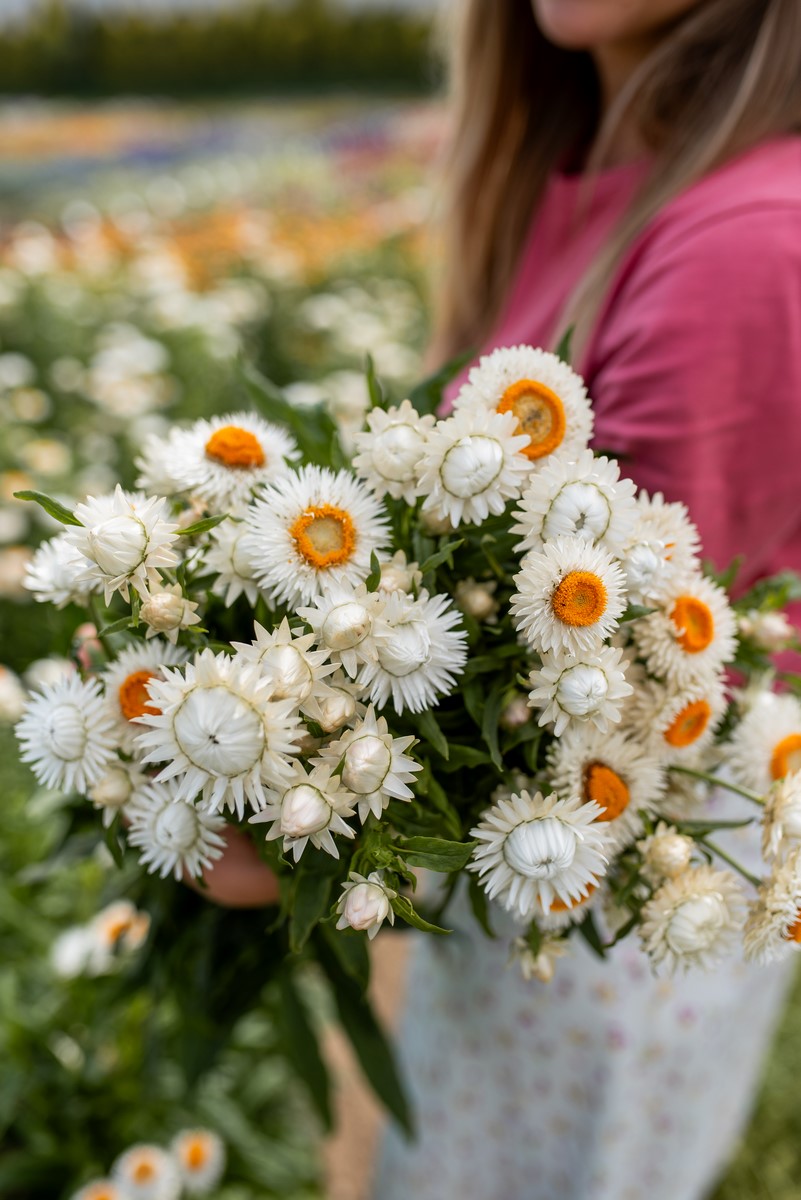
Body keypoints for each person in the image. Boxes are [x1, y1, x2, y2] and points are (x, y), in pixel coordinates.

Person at [371, 1, 801, 1198]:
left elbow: (607, 685)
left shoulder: (746, 244)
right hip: (522, 893)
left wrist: (294, 814)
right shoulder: (587, 178)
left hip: (605, 909)